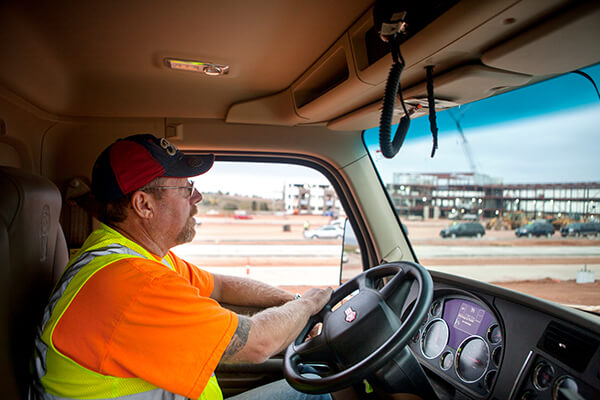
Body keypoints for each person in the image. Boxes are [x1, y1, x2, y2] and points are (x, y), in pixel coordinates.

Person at [29, 134, 333, 400]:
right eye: (187, 189)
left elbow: (221, 285)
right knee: (318, 391)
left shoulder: (127, 254)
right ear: (144, 204)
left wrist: (290, 302)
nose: (197, 197)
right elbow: (258, 343)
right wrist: (308, 304)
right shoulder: (135, 283)